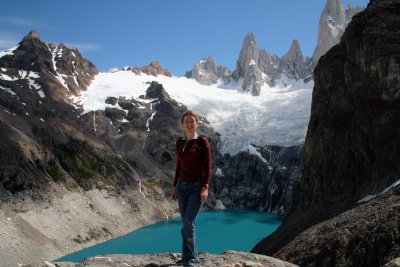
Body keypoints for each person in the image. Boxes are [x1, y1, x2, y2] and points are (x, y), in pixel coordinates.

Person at [172, 110, 212, 267]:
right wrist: (175, 186)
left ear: (197, 123)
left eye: (192, 121)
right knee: (186, 224)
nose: (189, 124)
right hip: (181, 187)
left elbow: (207, 167)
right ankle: (187, 256)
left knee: (189, 223)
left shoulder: (202, 142)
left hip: (196, 188)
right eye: (186, 121)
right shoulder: (180, 142)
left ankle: (192, 260)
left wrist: (205, 187)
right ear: (182, 125)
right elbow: (178, 166)